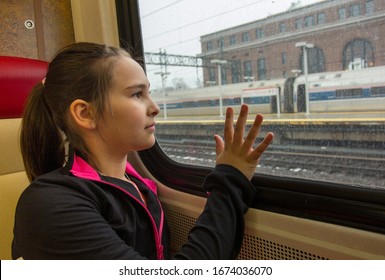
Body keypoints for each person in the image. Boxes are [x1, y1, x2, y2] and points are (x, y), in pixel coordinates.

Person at [12, 42, 274, 260]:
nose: (155, 107)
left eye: (149, 92)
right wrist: (230, 181)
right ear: (85, 113)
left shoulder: (138, 184)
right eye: (137, 94)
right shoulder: (51, 205)